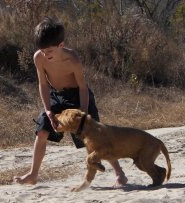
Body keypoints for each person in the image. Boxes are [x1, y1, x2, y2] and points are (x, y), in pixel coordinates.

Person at [14, 17, 128, 188]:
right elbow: (43, 84)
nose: (46, 55)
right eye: (43, 51)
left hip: (78, 97)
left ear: (61, 45)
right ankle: (33, 174)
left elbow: (82, 87)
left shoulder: (73, 59)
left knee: (94, 138)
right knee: (42, 132)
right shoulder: (39, 58)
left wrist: (82, 112)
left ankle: (120, 174)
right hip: (56, 96)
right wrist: (48, 110)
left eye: (49, 51)